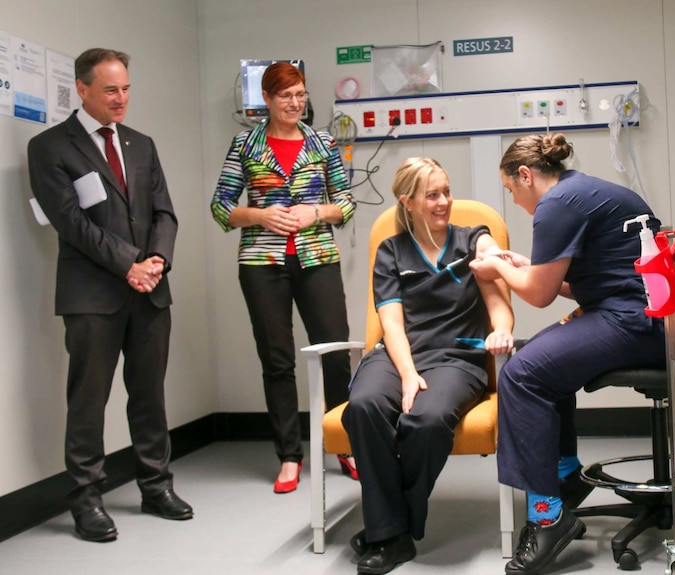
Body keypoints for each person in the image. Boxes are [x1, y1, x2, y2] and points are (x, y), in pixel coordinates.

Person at [469, 134, 666, 575]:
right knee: (539, 362)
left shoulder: (556, 203)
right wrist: (526, 265)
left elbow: (537, 296)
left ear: (526, 175)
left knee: (521, 375)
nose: (518, 203)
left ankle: (547, 518)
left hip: (633, 322)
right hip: (646, 316)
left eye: (513, 192)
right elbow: (590, 284)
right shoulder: (592, 190)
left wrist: (499, 267)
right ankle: (565, 475)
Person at [27, 48, 192, 543]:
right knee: (88, 401)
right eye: (109, 91)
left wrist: (156, 262)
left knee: (149, 397)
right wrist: (129, 265)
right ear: (82, 89)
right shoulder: (49, 146)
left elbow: (164, 212)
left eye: (125, 90)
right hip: (91, 296)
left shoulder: (142, 144)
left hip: (149, 293)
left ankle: (156, 486)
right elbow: (70, 223)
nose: (120, 99)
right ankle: (86, 499)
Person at [342, 157, 514, 575]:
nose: (444, 202)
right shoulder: (391, 251)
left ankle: (390, 526)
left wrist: (502, 330)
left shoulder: (472, 240)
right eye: (432, 195)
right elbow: (392, 324)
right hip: (398, 354)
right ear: (409, 201)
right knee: (362, 407)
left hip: (457, 358)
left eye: (446, 192)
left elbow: (499, 304)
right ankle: (391, 535)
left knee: (427, 419)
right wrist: (407, 375)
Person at [211, 62, 357, 494]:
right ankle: (290, 456)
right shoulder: (245, 144)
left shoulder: (323, 142)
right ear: (267, 100)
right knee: (277, 362)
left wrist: (317, 211)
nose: (294, 103)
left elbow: (346, 203)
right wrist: (259, 214)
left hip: (317, 258)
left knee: (334, 353)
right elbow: (221, 207)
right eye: (284, 96)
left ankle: (345, 444)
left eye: (300, 94)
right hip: (262, 263)